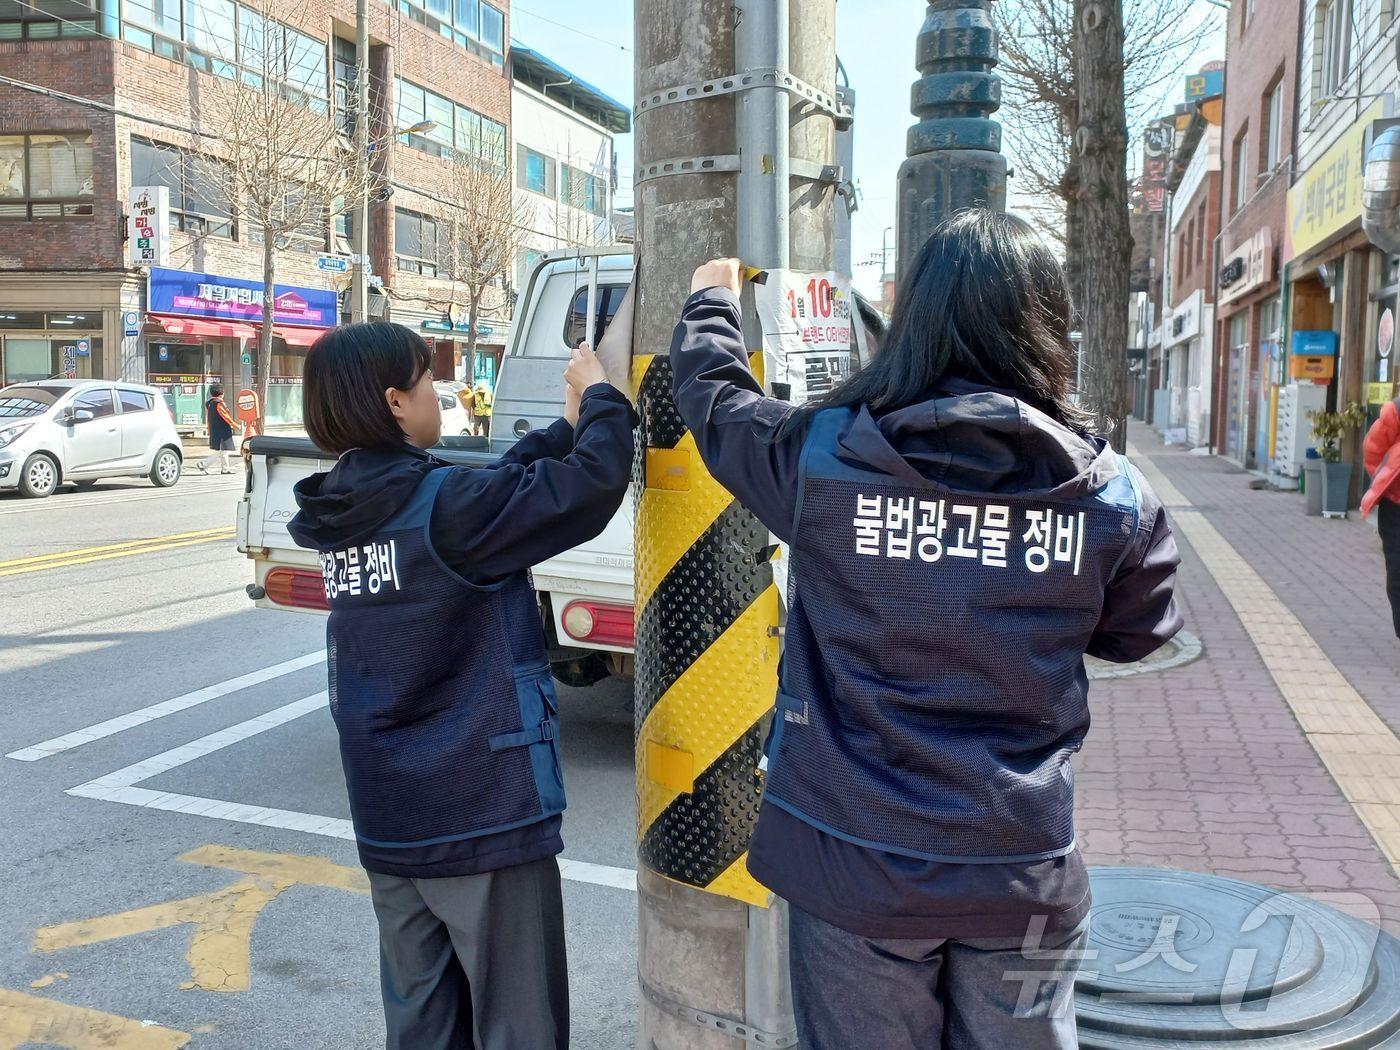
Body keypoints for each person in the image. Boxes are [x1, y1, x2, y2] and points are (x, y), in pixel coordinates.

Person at [669, 212, 1183, 1050]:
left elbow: (716, 402)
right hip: (1021, 870)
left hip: (855, 864)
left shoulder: (827, 459)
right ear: (1050, 327)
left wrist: (712, 298)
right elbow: (1136, 632)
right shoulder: (1109, 494)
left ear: (913, 324)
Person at [288, 323, 634, 1049]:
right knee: (519, 1026)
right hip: (482, 813)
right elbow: (588, 488)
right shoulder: (445, 508)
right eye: (425, 380)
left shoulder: (346, 510)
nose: (436, 393)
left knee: (422, 1023)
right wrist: (602, 400)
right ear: (394, 401)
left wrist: (561, 428)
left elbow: (491, 489)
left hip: (389, 816)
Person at [1362, 394, 1400, 637]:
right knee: (1397, 571)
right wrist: (1387, 481)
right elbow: (1374, 450)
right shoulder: (1396, 410)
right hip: (1395, 507)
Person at [198, 384, 237, 474]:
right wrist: (235, 425)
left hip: (214, 429)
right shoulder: (219, 403)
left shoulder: (209, 403)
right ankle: (203, 464)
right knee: (221, 450)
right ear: (222, 393)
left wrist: (209, 429)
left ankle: (225, 469)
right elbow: (225, 416)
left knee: (223, 450)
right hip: (222, 430)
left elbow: (209, 417)